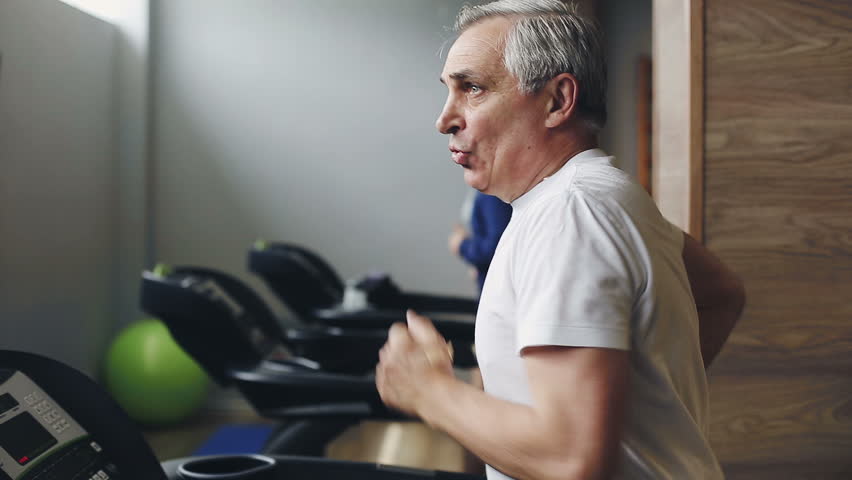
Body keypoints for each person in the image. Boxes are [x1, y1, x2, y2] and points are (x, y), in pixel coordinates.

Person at [375, 1, 746, 480]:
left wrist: (425, 390)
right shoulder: (599, 196)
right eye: (449, 92)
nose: (445, 119)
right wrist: (637, 406)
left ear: (557, 101)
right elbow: (721, 294)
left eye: (472, 89)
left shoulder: (573, 213)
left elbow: (571, 460)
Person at [449, 190, 512, 293]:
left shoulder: (491, 195)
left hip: (496, 285)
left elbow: (496, 248)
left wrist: (462, 245)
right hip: (489, 280)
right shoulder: (485, 191)